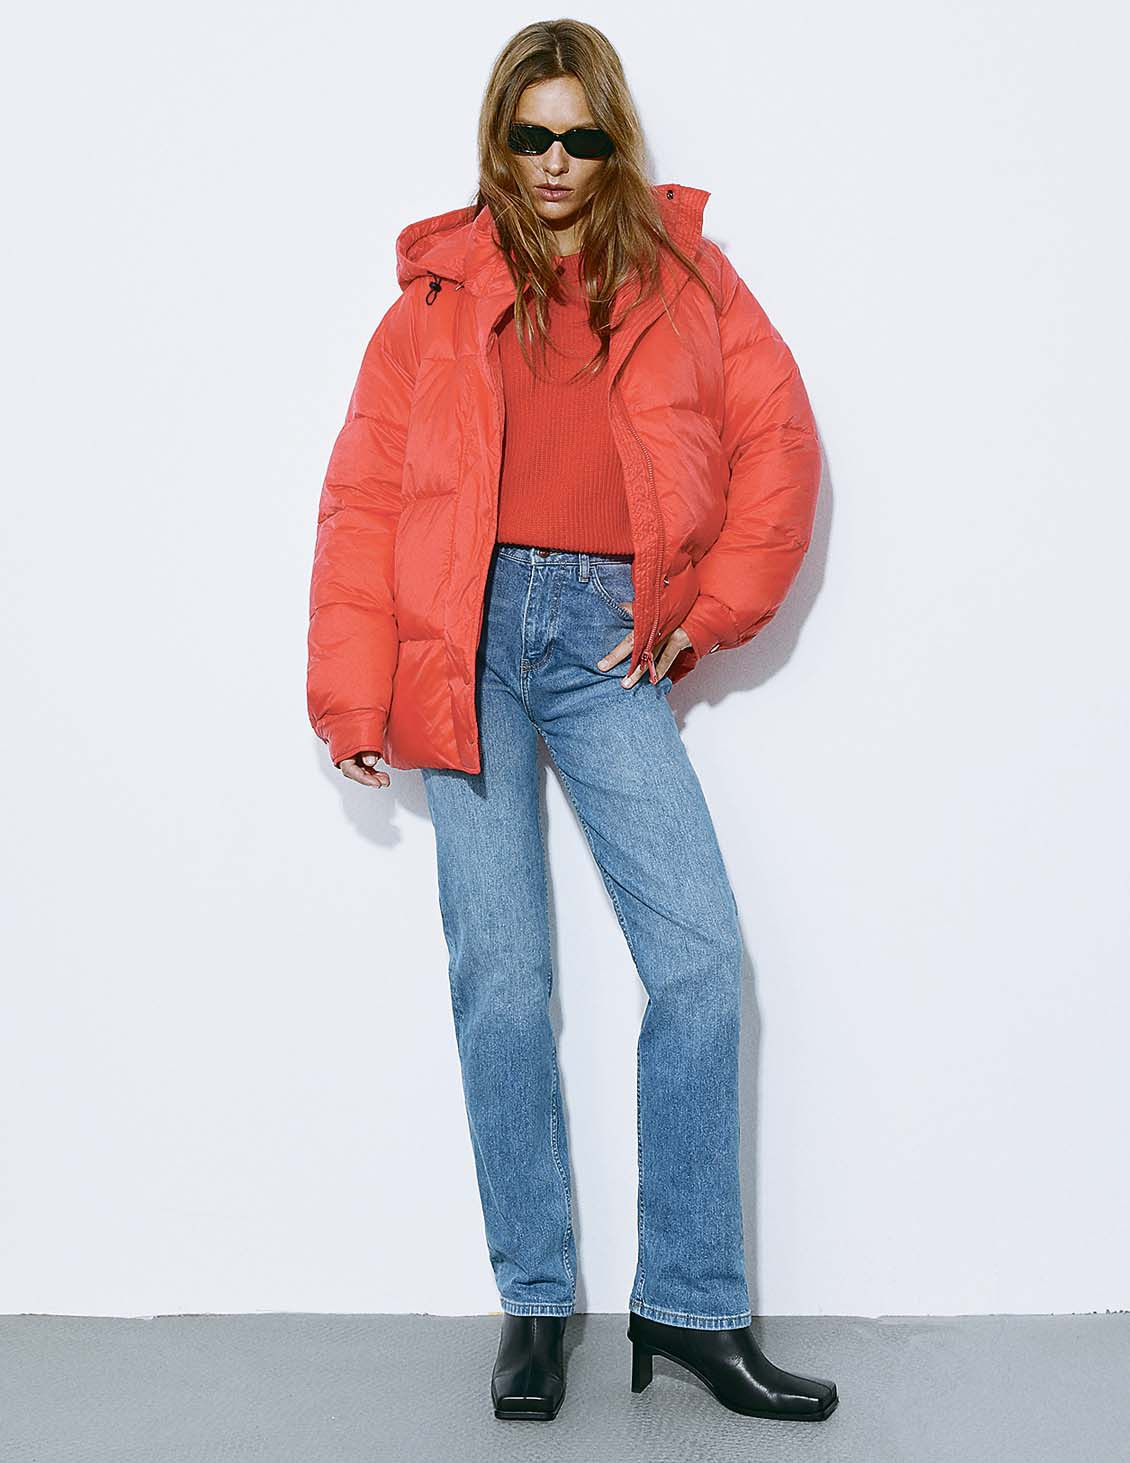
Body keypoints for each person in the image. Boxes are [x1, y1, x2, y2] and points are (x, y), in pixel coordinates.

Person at [306, 18, 838, 1426]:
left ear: (613, 139)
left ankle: (691, 1308)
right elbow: (365, 497)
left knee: (700, 962)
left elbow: (779, 445)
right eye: (529, 135)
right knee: (501, 979)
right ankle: (535, 1303)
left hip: (606, 640)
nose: (553, 161)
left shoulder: (686, 280)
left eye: (580, 136)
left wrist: (703, 613)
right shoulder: (435, 297)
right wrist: (352, 688)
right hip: (463, 637)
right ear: (500, 139)